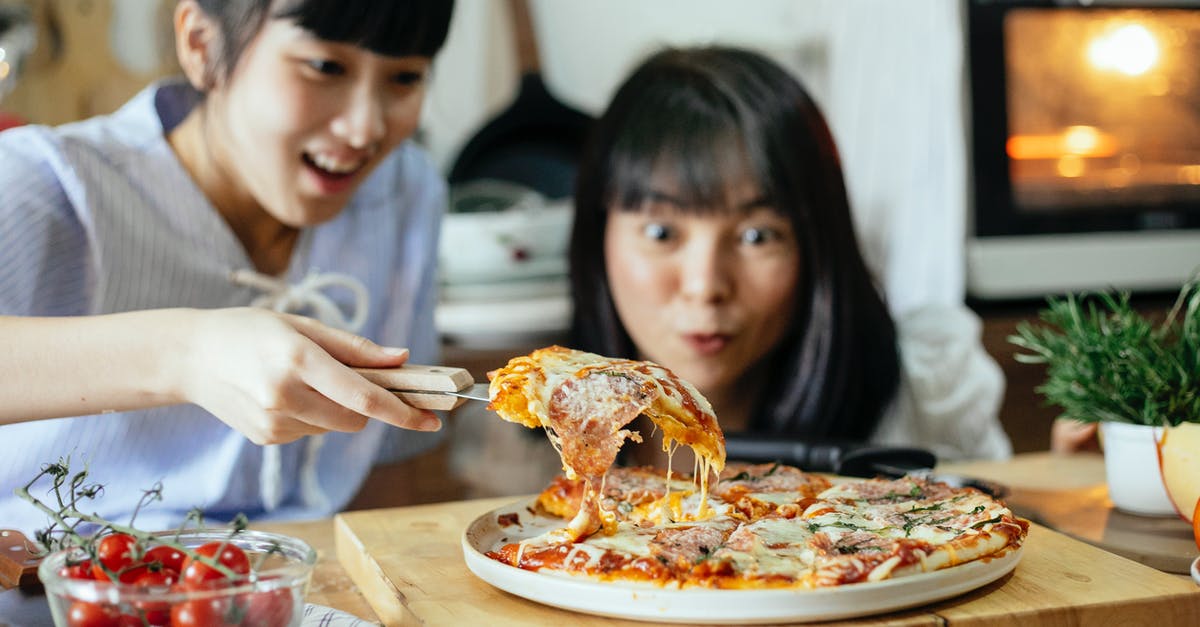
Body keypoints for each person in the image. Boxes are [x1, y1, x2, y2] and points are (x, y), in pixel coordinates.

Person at [450, 45, 1010, 497]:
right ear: (597, 237)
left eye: (755, 236)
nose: (705, 287)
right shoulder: (519, 430)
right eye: (662, 233)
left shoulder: (926, 390)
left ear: (818, 245)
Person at [0, 0, 455, 534]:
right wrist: (188, 352)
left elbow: (392, 462)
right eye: (325, 67)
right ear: (201, 43)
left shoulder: (405, 191)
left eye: (404, 78)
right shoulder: (41, 184)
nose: (364, 128)